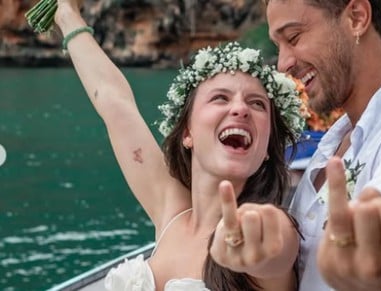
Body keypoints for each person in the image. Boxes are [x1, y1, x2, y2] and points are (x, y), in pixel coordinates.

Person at [52, 1, 307, 290]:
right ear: (188, 133)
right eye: (220, 98)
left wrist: (269, 247)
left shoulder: (268, 230)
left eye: (257, 103)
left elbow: (277, 252)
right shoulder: (170, 213)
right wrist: (67, 15)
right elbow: (114, 102)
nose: (241, 109)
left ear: (265, 151)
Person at [225, 0, 381, 290]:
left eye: (294, 38)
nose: (283, 63)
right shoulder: (334, 142)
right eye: (279, 47)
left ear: (357, 17)